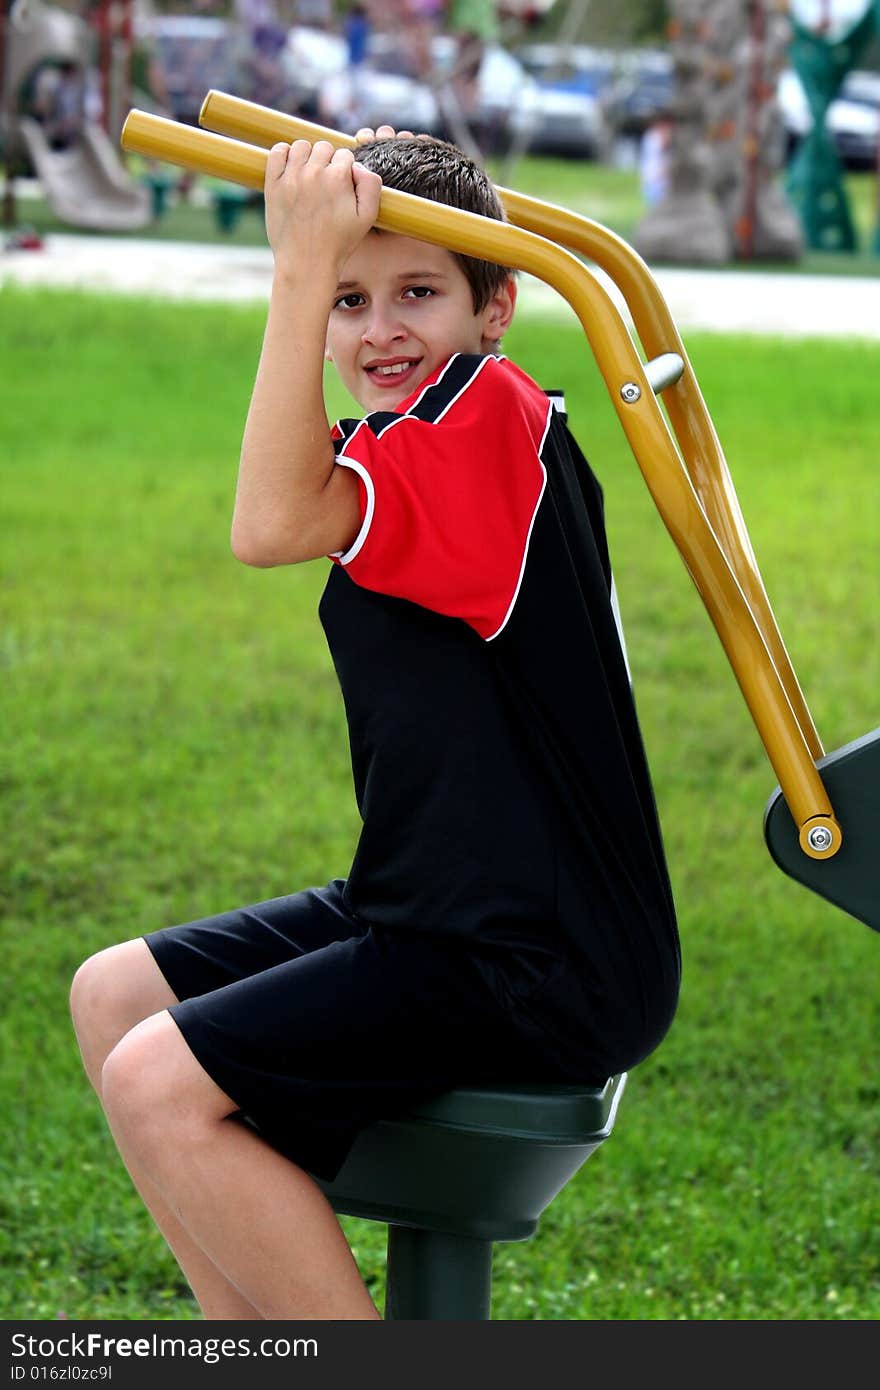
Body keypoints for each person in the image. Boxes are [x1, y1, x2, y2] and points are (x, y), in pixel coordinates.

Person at [69, 126, 681, 1321]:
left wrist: (298, 269)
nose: (376, 329)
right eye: (351, 298)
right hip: (436, 902)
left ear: (494, 305)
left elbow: (265, 523)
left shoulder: (484, 425)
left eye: (417, 292)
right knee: (116, 996)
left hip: (531, 954)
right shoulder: (434, 429)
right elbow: (292, 491)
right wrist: (314, 271)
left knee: (155, 1078)